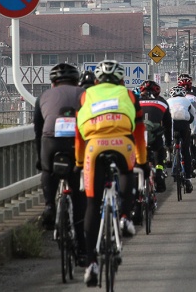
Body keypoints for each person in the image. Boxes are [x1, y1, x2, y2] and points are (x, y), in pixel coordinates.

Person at [75, 60, 147, 287]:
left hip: (94, 147)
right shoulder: (128, 94)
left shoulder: (86, 96)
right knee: (127, 171)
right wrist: (143, 162)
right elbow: (139, 129)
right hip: (121, 142)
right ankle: (125, 218)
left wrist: (78, 162)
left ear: (96, 81)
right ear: (121, 81)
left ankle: (91, 264)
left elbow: (78, 132)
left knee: (91, 204)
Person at [33, 63, 86, 263]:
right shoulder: (84, 94)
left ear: (53, 83)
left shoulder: (43, 97)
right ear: (77, 81)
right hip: (77, 141)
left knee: (48, 170)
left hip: (50, 140)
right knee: (79, 198)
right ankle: (81, 250)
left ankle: (48, 206)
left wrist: (41, 160)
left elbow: (38, 131)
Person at [138, 80, 172, 192]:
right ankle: (159, 171)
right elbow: (167, 125)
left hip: (139, 136)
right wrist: (168, 143)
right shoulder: (162, 102)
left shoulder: (135, 102)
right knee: (159, 151)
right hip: (155, 135)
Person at [167, 85, 195, 193]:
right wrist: (194, 131)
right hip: (184, 124)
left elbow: (164, 118)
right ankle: (188, 178)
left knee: (170, 142)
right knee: (185, 151)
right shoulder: (187, 101)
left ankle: (170, 155)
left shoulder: (168, 101)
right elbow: (194, 117)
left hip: (172, 123)